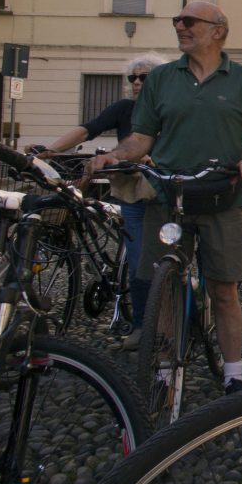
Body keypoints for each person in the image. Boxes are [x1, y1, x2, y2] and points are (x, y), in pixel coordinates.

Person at [89, 1, 242, 394]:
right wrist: (114, 156)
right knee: (164, 282)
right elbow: (141, 139)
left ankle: (233, 371)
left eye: (189, 21)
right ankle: (164, 365)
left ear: (217, 30)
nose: (180, 26)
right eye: (177, 20)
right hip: (167, 195)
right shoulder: (160, 79)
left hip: (222, 194)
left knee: (224, 289)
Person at [28, 52, 167, 350]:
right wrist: (50, 150)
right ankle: (142, 324)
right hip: (130, 191)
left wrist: (155, 157)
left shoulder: (166, 109)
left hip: (161, 193)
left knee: (153, 259)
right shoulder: (123, 108)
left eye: (145, 77)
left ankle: (169, 318)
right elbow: (88, 128)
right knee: (137, 257)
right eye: (133, 77)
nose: (137, 83)